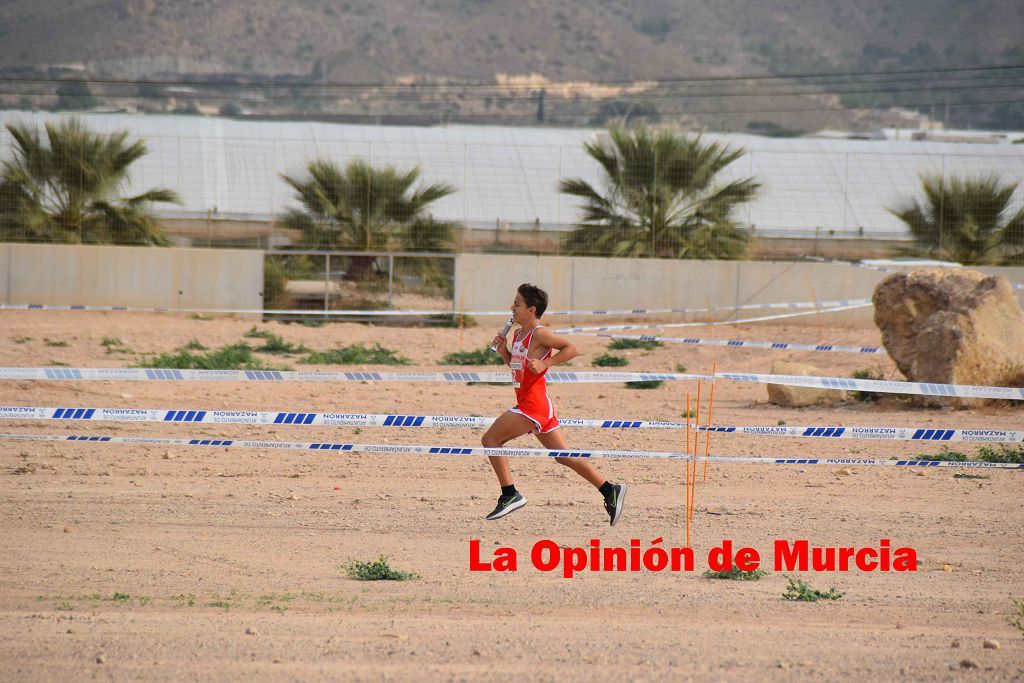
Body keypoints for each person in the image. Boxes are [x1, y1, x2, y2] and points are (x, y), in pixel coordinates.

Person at [481, 283, 627, 526]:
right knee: (563, 456)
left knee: (491, 440)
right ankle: (609, 490)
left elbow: (572, 348)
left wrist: (546, 364)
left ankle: (510, 495)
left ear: (531, 310)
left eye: (517, 304)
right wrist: (503, 351)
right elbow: (516, 368)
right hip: (535, 405)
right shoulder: (518, 335)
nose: (512, 308)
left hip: (533, 406)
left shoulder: (540, 333)